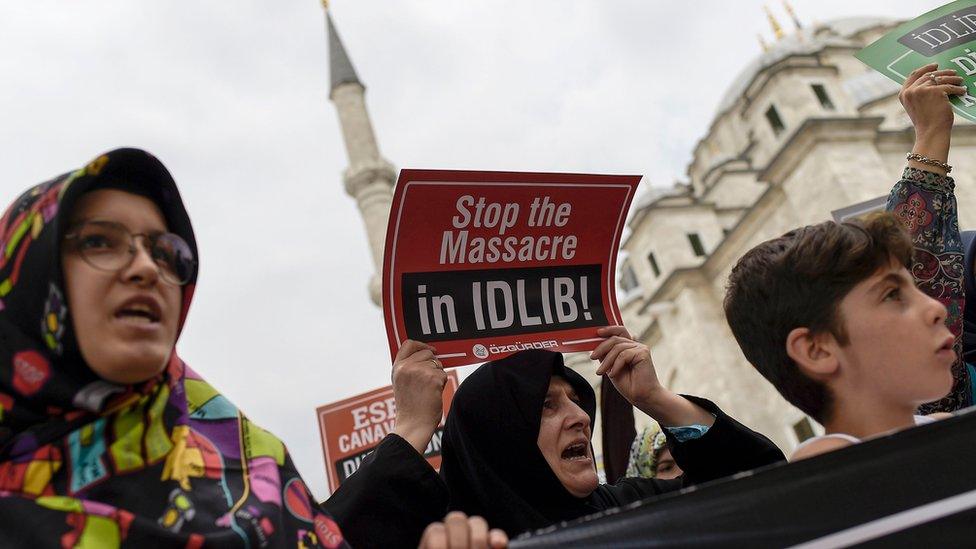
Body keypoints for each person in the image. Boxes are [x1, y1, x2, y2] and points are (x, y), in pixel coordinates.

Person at [0, 148, 349, 547]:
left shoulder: (260, 475)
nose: (147, 268)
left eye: (165, 252)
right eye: (99, 241)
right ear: (28, 276)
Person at [723, 63, 968, 461]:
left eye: (911, 287)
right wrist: (930, 136)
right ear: (817, 350)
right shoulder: (833, 475)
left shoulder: (945, 433)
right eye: (892, 294)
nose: (938, 306)